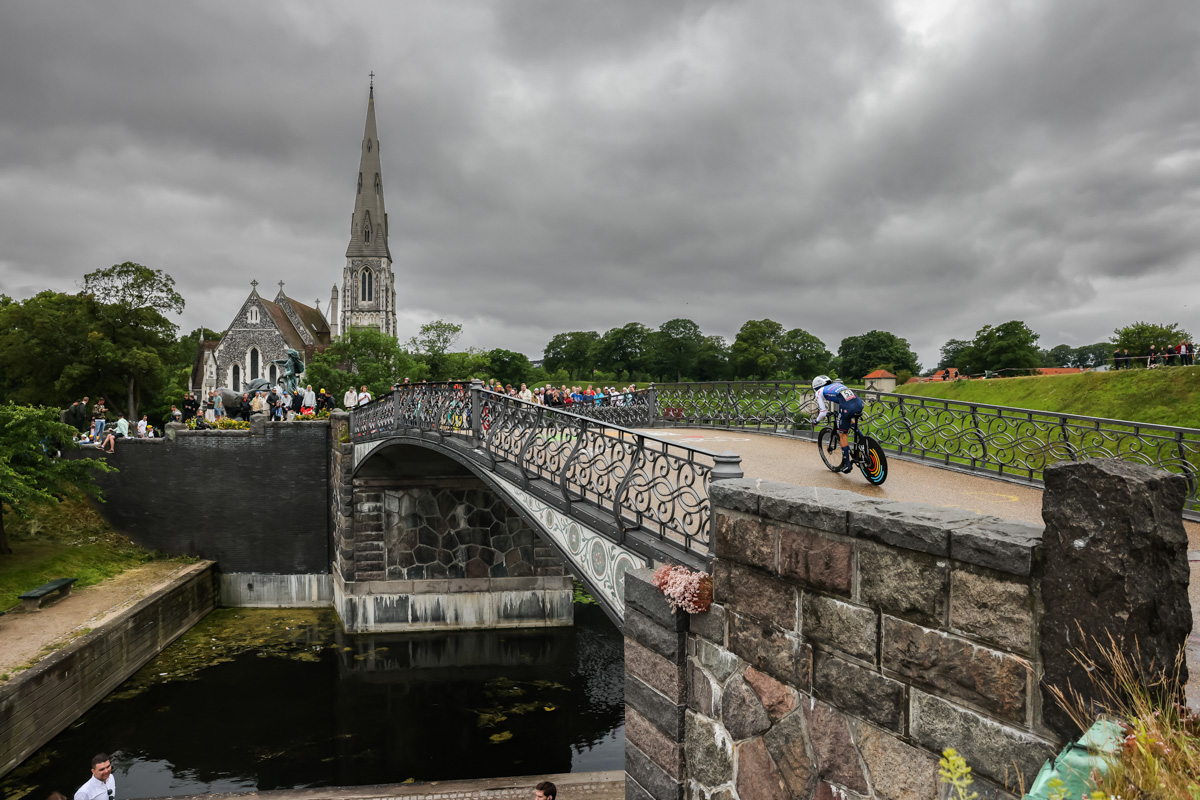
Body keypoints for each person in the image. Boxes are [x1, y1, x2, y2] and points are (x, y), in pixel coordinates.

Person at [811, 374, 864, 473]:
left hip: (847, 407)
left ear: (816, 386)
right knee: (846, 418)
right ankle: (862, 438)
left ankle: (847, 465)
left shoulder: (819, 391)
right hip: (859, 404)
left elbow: (823, 413)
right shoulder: (837, 385)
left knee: (843, 434)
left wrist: (816, 421)